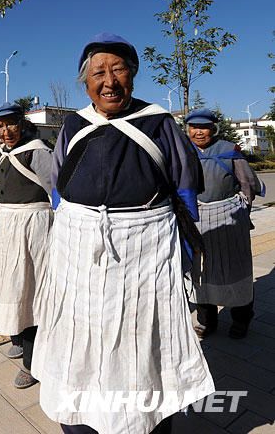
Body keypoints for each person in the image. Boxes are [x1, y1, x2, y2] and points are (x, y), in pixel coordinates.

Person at [31, 33, 214, 434]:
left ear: (132, 75)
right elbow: (60, 188)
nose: (110, 80)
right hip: (80, 250)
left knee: (141, 336)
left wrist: (183, 247)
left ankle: (144, 420)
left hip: (144, 247)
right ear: (86, 81)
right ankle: (79, 419)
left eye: (119, 70)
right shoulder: (75, 124)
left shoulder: (159, 121)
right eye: (99, 72)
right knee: (81, 333)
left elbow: (183, 184)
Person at [0, 102, 53, 388]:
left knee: (29, 288)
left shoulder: (38, 151)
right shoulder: (1, 154)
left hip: (34, 228)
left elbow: (57, 190)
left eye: (10, 124)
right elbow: (0, 192)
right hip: (8, 229)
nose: (5, 131)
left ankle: (33, 364)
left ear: (22, 123)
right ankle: (18, 339)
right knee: (9, 284)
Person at [185, 108, 265, 340]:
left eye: (204, 127)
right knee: (200, 272)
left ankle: (242, 318)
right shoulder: (183, 151)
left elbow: (247, 184)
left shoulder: (230, 150)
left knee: (235, 268)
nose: (199, 132)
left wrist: (241, 212)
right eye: (194, 127)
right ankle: (207, 320)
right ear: (188, 129)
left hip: (228, 218)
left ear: (214, 129)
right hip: (195, 219)